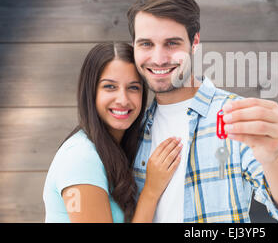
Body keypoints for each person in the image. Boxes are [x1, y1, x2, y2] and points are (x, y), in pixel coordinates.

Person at [127, 0, 278, 222]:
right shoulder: (130, 129)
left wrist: (274, 157)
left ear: (194, 42)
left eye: (172, 43)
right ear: (134, 46)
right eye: (146, 44)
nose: (158, 58)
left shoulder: (233, 116)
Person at [43, 42, 182, 222]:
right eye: (110, 87)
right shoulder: (81, 158)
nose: (123, 100)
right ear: (91, 91)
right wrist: (151, 191)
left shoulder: (118, 149)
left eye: (133, 87)